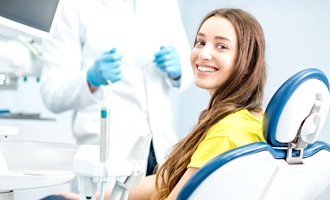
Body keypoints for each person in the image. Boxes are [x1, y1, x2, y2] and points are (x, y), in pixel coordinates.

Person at [52, 7, 267, 200]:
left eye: (221, 46)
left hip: (157, 140)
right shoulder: (243, 120)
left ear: (247, 62)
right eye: (200, 43)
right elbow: (167, 180)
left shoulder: (227, 132)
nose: (203, 53)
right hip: (113, 144)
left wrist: (176, 72)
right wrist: (90, 80)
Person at [39, 0, 192, 179]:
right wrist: (90, 80)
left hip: (161, 148)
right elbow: (53, 93)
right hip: (108, 151)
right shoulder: (72, 6)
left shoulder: (166, 5)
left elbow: (188, 71)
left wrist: (178, 70)